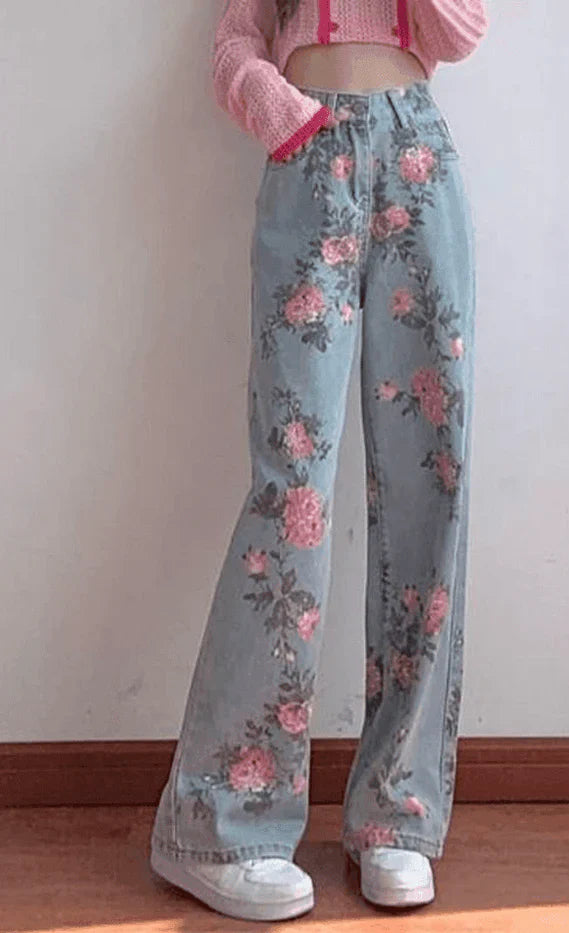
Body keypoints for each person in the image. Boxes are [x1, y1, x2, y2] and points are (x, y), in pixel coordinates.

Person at [149, 0, 488, 921]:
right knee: (290, 484)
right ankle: (223, 823)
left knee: (428, 481)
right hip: (307, 161)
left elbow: (462, 32)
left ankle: (398, 811)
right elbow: (234, 41)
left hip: (418, 160)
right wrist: (279, 110)